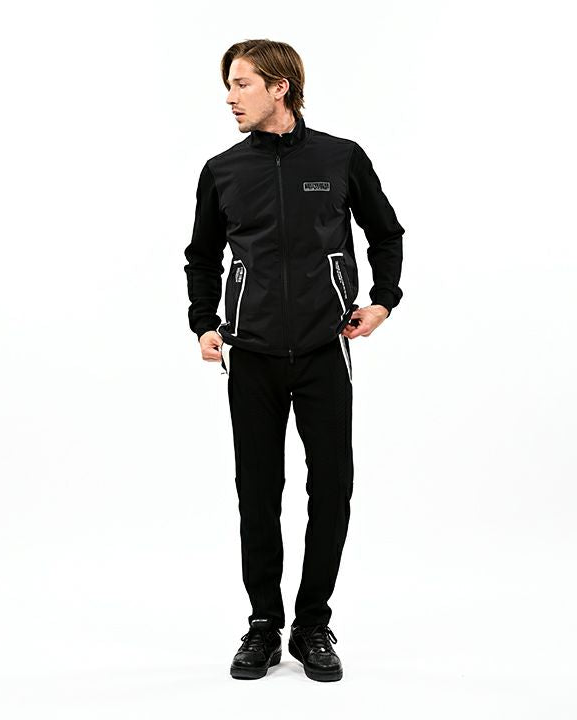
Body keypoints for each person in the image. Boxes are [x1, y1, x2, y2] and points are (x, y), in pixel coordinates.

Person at [184, 38, 405, 682]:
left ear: (280, 87)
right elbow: (202, 255)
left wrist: (383, 301)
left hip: (323, 351)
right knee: (258, 492)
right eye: (229, 85)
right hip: (251, 354)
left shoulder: (339, 158)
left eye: (242, 84)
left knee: (331, 487)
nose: (231, 97)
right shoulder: (222, 171)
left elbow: (385, 231)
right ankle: (263, 624)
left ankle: (312, 624)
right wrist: (204, 322)